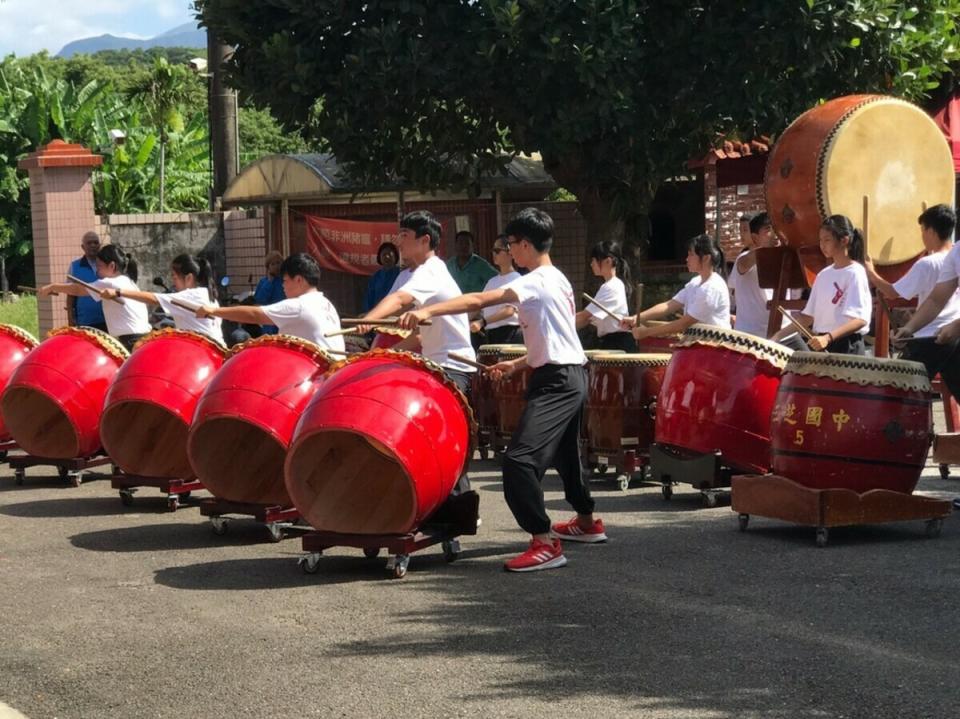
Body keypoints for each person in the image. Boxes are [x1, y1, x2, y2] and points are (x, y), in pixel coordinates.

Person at [398, 207, 605, 573]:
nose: (509, 252)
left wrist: (429, 311)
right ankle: (587, 522)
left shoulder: (533, 281)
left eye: (510, 245)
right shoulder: (558, 278)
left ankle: (544, 541)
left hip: (557, 381)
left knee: (519, 461)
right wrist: (518, 363)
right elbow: (560, 338)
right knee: (567, 457)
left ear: (525, 245)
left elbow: (479, 301)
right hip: (569, 374)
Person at [196, 253, 345, 353]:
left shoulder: (299, 306)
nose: (283, 285)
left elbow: (255, 314)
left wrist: (213, 311)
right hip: (333, 373)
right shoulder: (326, 303)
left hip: (318, 377)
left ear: (299, 280)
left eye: (285, 281)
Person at [771, 215, 871, 354]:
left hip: (847, 345)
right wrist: (777, 336)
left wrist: (828, 337)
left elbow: (860, 319)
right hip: (822, 343)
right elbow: (808, 317)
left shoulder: (855, 272)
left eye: (827, 240)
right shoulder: (823, 275)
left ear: (844, 240)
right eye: (820, 240)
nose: (822, 245)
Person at [891, 205, 960, 397]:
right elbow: (936, 300)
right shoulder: (955, 253)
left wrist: (957, 325)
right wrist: (910, 328)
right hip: (946, 335)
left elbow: (891, 291)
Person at [39, 244, 151, 352]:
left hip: (130, 341)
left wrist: (52, 286)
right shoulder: (128, 281)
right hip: (143, 339)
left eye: (99, 266)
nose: (97, 272)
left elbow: (78, 289)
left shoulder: (110, 283)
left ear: (111, 266)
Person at [622, 234, 731, 341]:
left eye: (691, 255)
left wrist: (646, 332)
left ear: (706, 258)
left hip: (715, 350)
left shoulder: (711, 288)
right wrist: (636, 318)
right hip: (699, 346)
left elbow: (683, 324)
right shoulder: (695, 282)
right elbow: (669, 305)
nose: (687, 259)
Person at [98, 254, 224, 344]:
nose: (173, 283)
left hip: (204, 352)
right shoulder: (208, 294)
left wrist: (118, 292)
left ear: (189, 278)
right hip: (212, 348)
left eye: (174, 278)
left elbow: (153, 299)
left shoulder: (191, 295)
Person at [728, 212, 790, 337]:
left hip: (784, 331)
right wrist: (765, 249)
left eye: (776, 229)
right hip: (752, 335)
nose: (775, 234)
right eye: (768, 230)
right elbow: (743, 265)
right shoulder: (744, 258)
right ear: (755, 238)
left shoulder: (784, 257)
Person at [576, 240, 635, 352]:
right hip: (613, 341)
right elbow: (586, 319)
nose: (591, 264)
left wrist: (558, 323)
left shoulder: (612, 286)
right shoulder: (611, 285)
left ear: (608, 261)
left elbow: (585, 316)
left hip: (617, 342)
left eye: (594, 260)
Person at [471, 234, 522, 345]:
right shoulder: (492, 281)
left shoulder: (517, 279)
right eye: (493, 250)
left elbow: (510, 310)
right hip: (491, 333)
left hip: (509, 333)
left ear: (510, 252)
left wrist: (483, 322)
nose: (494, 254)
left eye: (497, 250)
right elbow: (479, 305)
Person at [66, 231, 107, 332]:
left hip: (107, 320)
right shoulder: (75, 266)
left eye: (95, 242)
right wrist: (70, 318)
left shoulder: (108, 265)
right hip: (85, 321)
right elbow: (70, 294)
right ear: (83, 247)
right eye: (89, 243)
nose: (93, 245)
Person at [446, 230, 497, 295]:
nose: (463, 246)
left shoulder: (481, 265)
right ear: (456, 245)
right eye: (461, 243)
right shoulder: (449, 265)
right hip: (454, 303)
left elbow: (497, 279)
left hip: (475, 303)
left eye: (467, 243)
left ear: (473, 246)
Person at [362, 242, 401, 312]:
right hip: (377, 315)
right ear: (379, 257)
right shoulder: (375, 277)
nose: (387, 257)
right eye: (384, 255)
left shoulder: (400, 274)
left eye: (390, 254)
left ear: (395, 256)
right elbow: (369, 299)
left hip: (395, 315)